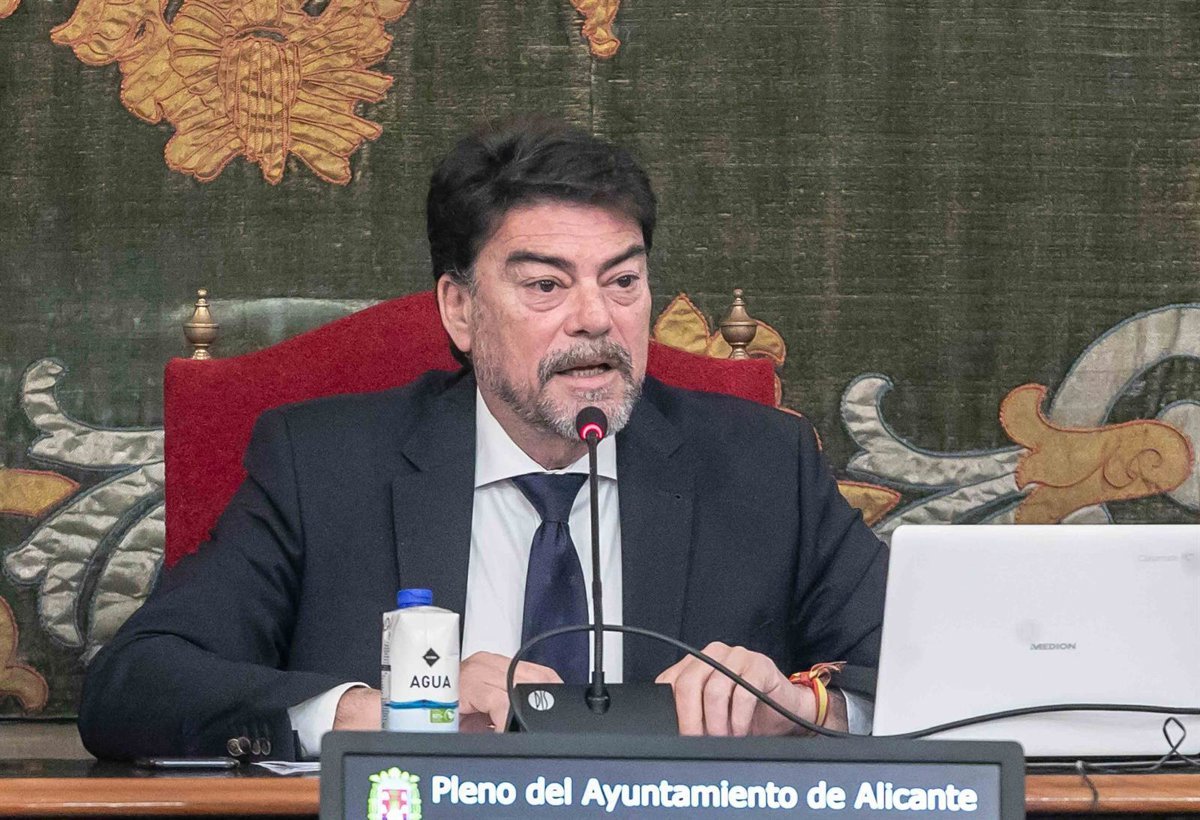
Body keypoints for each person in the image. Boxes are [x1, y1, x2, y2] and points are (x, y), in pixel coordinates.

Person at [78, 120, 888, 761]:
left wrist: (802, 706)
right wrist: (382, 715)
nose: (596, 319)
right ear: (460, 310)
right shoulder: (323, 467)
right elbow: (136, 684)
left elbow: (930, 677)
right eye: (545, 284)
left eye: (623, 280)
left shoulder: (762, 466)